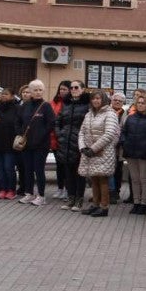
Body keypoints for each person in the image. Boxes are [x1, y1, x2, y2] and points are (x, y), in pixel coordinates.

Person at [77, 90, 120, 217]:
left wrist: (93, 148)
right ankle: (95, 205)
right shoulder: (89, 114)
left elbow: (109, 134)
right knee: (93, 178)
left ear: (104, 100)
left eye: (98, 98)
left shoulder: (110, 114)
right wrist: (83, 147)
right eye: (93, 98)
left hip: (103, 152)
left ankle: (104, 207)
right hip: (89, 152)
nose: (95, 101)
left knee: (103, 179)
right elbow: (82, 132)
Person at [15, 79, 56, 205]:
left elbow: (51, 124)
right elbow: (18, 122)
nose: (38, 92)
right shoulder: (25, 106)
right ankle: (29, 193)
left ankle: (41, 196)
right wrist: (20, 134)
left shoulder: (46, 106)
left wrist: (40, 137)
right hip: (26, 144)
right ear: (30, 91)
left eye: (40, 90)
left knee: (39, 170)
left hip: (41, 145)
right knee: (27, 169)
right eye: (35, 90)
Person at [121, 95, 146, 215]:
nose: (140, 105)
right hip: (131, 152)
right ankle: (136, 202)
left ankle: (144, 203)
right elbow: (123, 132)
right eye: (138, 103)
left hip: (145, 152)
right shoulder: (131, 117)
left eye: (143, 103)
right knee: (134, 179)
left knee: (144, 179)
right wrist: (124, 142)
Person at [55, 81, 89, 209]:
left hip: (79, 143)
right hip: (65, 142)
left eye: (76, 87)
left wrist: (83, 139)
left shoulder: (87, 104)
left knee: (79, 173)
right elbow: (58, 121)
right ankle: (71, 198)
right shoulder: (66, 103)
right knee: (68, 173)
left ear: (82, 89)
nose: (73, 89)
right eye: (72, 88)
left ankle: (79, 199)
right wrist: (60, 134)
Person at [0, 86, 21, 200]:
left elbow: (20, 124)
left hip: (10, 143)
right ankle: (2, 189)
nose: (3, 96)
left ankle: (11, 190)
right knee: (0, 169)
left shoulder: (17, 109)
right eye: (2, 94)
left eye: (6, 94)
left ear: (12, 95)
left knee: (8, 168)